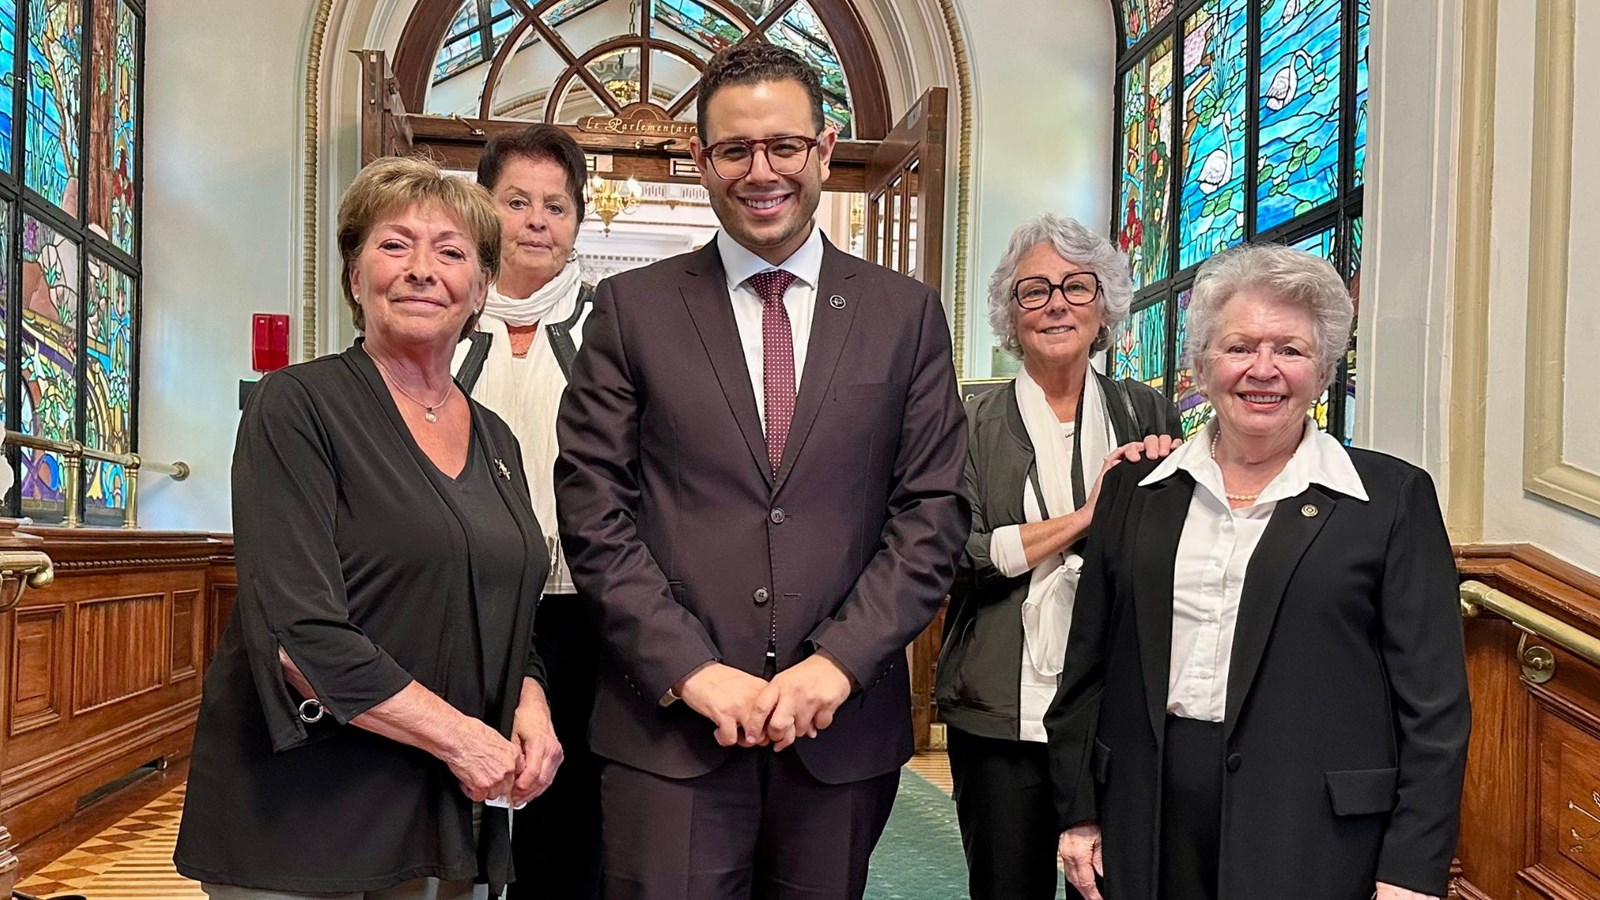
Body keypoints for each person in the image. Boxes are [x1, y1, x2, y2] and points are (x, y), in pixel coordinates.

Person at [554, 40, 969, 900]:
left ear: (822, 150)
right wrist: (692, 669)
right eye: (736, 149)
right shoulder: (632, 310)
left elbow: (932, 510)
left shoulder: (905, 316)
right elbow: (594, 511)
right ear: (701, 161)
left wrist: (838, 664)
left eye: (784, 145)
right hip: (669, 731)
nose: (761, 170)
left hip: (839, 728)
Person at [175, 156, 562, 900]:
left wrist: (530, 701)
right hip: (309, 803)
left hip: (445, 803)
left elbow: (506, 606)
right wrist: (467, 739)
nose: (422, 270)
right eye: (394, 246)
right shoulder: (295, 407)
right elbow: (298, 636)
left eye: (450, 253)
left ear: (480, 289)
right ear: (355, 275)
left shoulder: (497, 439)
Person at [1047, 243, 1470, 900]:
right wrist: (1078, 811)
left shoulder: (1390, 499)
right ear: (1202, 364)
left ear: (1325, 370)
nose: (1263, 370)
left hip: (1319, 838)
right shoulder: (1137, 489)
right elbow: (1087, 671)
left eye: (1291, 351)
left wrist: (1411, 870)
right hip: (1142, 820)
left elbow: (1435, 710)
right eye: (1240, 347)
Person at [936, 214, 1182, 900]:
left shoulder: (1147, 411)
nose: (1056, 305)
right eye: (1033, 291)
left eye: (1077, 287)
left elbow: (1175, 545)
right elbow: (958, 553)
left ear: (1104, 305)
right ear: (1009, 319)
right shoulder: (968, 418)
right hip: (1000, 704)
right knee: (1005, 885)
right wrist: (1087, 519)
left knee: (1113, 886)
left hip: (1117, 703)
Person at [450, 123, 601, 900]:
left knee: (566, 806)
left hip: (581, 606)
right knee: (456, 796)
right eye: (517, 201)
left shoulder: (611, 326)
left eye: (557, 205)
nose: (538, 221)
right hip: (463, 604)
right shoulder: (438, 317)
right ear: (483, 206)